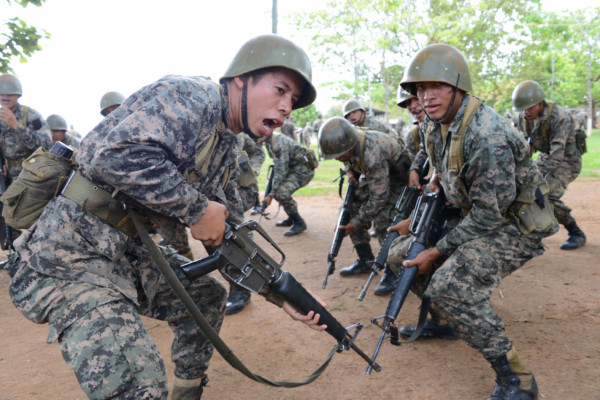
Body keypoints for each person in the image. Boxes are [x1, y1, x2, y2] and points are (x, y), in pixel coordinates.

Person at [7, 34, 327, 400]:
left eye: (293, 101)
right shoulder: (193, 96)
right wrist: (196, 209)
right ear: (242, 78)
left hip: (124, 254)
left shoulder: (227, 142)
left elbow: (233, 233)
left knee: (205, 297)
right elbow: (114, 156)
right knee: (141, 388)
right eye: (280, 90)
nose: (287, 107)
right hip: (66, 258)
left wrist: (281, 293)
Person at [397, 43, 558, 399]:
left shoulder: (488, 136)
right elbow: (441, 171)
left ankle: (518, 380)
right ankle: (445, 322)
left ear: (458, 86)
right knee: (400, 255)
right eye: (420, 89)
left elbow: (490, 214)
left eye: (436, 86)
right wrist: (418, 220)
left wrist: (437, 250)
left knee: (450, 284)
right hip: (478, 215)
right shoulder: (435, 125)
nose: (426, 96)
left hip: (515, 225)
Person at [318, 116, 412, 296]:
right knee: (348, 211)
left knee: (384, 219)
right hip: (377, 177)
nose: (337, 159)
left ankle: (393, 271)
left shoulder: (371, 153)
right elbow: (347, 159)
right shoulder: (349, 142)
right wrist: (350, 172)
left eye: (339, 155)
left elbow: (379, 197)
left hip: (400, 180)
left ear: (349, 147)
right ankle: (366, 260)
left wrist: (356, 222)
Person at [513, 80, 586, 250]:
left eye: (530, 107)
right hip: (547, 158)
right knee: (523, 188)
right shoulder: (524, 117)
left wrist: (530, 174)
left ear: (540, 103)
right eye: (523, 108)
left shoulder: (559, 117)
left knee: (546, 195)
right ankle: (530, 231)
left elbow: (556, 156)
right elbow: (524, 145)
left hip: (567, 160)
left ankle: (575, 232)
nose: (526, 112)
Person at [0, 73, 52, 262]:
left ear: (18, 96)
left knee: (35, 219)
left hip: (32, 176)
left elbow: (46, 144)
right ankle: (15, 258)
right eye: (1, 96)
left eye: (9, 95)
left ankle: (40, 258)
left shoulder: (31, 116)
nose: (4, 98)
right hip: (8, 177)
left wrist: (15, 125)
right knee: (10, 217)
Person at [225, 131, 266, 315]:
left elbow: (258, 152)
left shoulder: (236, 128)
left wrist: (252, 170)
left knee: (234, 239)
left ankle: (240, 290)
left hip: (233, 192)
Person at [262, 130, 317, 236]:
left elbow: (280, 171)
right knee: (279, 191)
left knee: (281, 193)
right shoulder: (270, 141)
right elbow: (278, 166)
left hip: (303, 171)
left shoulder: (279, 144)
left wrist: (271, 195)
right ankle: (292, 217)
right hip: (293, 169)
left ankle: (299, 222)